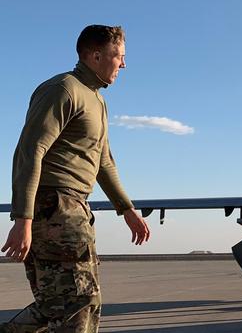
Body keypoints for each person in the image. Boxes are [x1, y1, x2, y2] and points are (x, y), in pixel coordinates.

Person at [1, 25, 150, 333]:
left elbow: (103, 161)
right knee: (80, 303)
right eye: (118, 56)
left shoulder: (97, 100)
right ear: (95, 56)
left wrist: (127, 209)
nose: (123, 64)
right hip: (55, 207)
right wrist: (23, 219)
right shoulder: (64, 89)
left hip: (74, 208)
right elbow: (31, 150)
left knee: (55, 305)